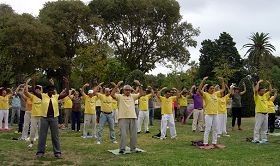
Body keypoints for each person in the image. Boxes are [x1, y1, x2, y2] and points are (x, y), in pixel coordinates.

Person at [29, 77, 69, 158]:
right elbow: (33, 91)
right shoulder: (43, 96)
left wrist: (67, 83)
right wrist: (33, 82)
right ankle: (40, 152)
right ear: (47, 91)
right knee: (42, 136)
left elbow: (67, 93)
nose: (51, 91)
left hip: (54, 118)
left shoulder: (56, 96)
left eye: (52, 90)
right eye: (50, 90)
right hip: (44, 118)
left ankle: (57, 152)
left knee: (55, 136)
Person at [111, 80, 144, 154]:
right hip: (122, 118)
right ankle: (122, 149)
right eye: (126, 90)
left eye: (129, 90)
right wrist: (117, 86)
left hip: (133, 117)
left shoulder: (133, 96)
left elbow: (141, 94)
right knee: (123, 134)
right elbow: (112, 94)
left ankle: (133, 148)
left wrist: (139, 85)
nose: (128, 91)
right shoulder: (119, 96)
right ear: (123, 90)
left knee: (134, 134)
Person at [198, 76, 224, 146]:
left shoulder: (216, 94)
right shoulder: (206, 94)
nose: (212, 89)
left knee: (215, 129)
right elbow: (199, 90)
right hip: (208, 114)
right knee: (208, 129)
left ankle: (214, 142)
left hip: (215, 114)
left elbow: (223, 89)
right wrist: (203, 81)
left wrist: (222, 81)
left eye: (213, 88)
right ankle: (205, 143)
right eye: (211, 88)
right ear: (207, 89)